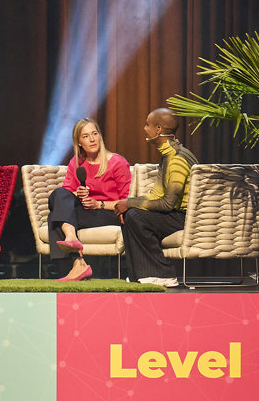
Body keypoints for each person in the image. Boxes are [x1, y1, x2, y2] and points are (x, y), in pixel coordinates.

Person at [114, 107, 197, 286]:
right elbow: (156, 195)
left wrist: (130, 204)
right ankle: (139, 274)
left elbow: (167, 203)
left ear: (158, 129)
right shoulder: (168, 154)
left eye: (147, 125)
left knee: (136, 216)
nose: (145, 129)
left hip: (185, 217)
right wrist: (129, 204)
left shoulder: (177, 158)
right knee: (130, 214)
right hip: (175, 214)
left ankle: (163, 274)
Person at [50, 117, 130, 282]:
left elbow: (126, 202)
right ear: (79, 143)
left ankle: (77, 263)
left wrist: (98, 204)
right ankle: (72, 240)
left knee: (54, 218)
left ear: (100, 136)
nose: (92, 139)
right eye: (86, 136)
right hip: (85, 212)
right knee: (58, 194)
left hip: (109, 213)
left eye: (94, 134)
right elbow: (64, 197)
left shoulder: (117, 163)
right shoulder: (76, 162)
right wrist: (77, 194)